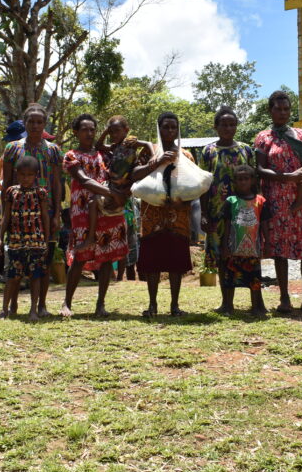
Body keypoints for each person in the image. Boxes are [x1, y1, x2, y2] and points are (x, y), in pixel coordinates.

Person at [254, 90, 302, 315]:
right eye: (278, 109)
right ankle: (284, 299)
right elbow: (260, 169)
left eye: (286, 109)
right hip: (277, 199)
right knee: (279, 250)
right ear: (270, 110)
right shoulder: (263, 137)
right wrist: (288, 177)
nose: (282, 113)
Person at [61, 113, 128, 318]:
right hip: (82, 209)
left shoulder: (101, 153)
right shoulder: (71, 155)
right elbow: (84, 180)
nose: (89, 133)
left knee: (107, 256)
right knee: (81, 256)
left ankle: (100, 304)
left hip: (105, 209)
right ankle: (67, 303)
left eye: (92, 129)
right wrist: (112, 194)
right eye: (84, 129)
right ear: (75, 132)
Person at [133, 111, 199, 317]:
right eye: (166, 127)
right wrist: (157, 161)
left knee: (175, 264)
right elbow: (134, 176)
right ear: (159, 129)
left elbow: (194, 185)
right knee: (152, 263)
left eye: (173, 127)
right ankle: (152, 305)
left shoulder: (186, 156)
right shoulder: (148, 153)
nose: (170, 131)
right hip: (152, 217)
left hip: (178, 217)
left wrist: (183, 203)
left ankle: (175, 306)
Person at [3, 104, 62, 317]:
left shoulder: (53, 150)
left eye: (39, 122)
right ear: (25, 123)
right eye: (31, 122)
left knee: (43, 261)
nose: (35, 125)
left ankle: (41, 305)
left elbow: (56, 183)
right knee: (17, 263)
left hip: (45, 215)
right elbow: (6, 183)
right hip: (18, 215)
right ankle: (12, 306)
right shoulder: (12, 148)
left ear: (44, 124)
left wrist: (56, 214)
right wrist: (5, 215)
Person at [198, 107, 256, 312]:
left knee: (248, 255)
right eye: (224, 124)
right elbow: (203, 184)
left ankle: (255, 302)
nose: (228, 128)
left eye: (232, 124)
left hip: (243, 212)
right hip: (217, 213)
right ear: (216, 126)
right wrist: (204, 213)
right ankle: (227, 302)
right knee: (223, 256)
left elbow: (254, 180)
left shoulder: (246, 150)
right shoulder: (208, 151)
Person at [0, 155, 51, 320]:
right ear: (16, 174)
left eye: (29, 175)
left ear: (35, 175)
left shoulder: (40, 193)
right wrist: (0, 238)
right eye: (22, 175)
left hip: (36, 240)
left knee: (35, 277)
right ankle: (4, 309)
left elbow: (45, 217)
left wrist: (46, 240)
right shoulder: (11, 191)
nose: (25, 178)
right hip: (15, 240)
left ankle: (33, 310)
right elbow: (5, 217)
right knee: (13, 276)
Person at [77, 116, 142, 253]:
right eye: (112, 132)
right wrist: (107, 131)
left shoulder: (130, 146)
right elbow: (98, 146)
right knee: (101, 210)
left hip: (123, 189)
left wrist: (150, 152)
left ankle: (90, 239)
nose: (114, 135)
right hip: (112, 188)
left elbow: (147, 146)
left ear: (126, 130)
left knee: (93, 204)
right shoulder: (114, 147)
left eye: (117, 131)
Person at [219, 165, 269, 315]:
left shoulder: (260, 201)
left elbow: (264, 224)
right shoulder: (231, 201)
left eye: (246, 179)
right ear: (234, 182)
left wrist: (267, 244)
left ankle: (255, 307)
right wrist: (225, 246)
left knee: (254, 280)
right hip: (234, 249)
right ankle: (228, 306)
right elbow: (227, 225)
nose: (243, 182)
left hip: (253, 249)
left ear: (252, 181)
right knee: (230, 279)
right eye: (239, 179)